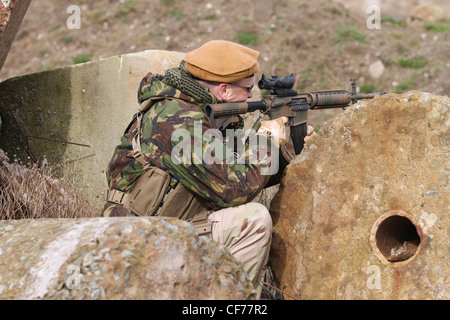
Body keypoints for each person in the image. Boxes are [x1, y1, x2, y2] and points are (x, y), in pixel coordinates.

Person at [101, 40, 296, 298]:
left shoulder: (191, 108)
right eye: (248, 88)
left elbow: (235, 169)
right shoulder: (178, 120)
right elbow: (235, 189)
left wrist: (287, 152)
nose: (251, 96)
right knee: (252, 221)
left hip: (158, 227)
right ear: (224, 90)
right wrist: (265, 142)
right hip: (137, 243)